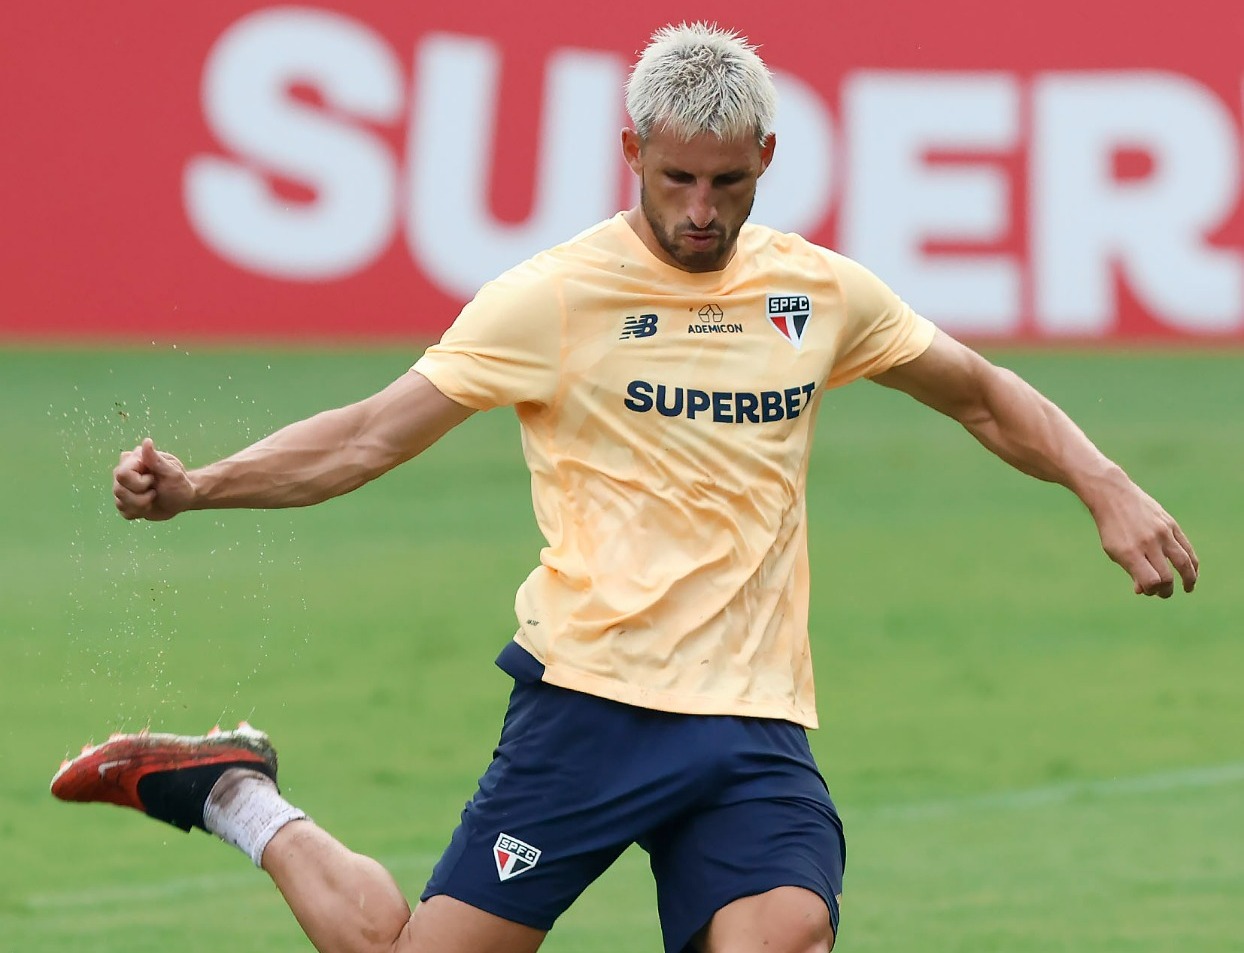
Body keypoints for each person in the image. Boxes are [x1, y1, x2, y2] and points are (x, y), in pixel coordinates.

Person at [51, 21, 1198, 953]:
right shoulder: (551, 298)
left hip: (752, 718)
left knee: (784, 934)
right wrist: (197, 488)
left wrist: (1101, 483)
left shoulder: (818, 294)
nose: (700, 210)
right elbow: (364, 438)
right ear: (629, 149)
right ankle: (235, 793)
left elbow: (980, 393)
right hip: (591, 703)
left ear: (767, 159)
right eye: (676, 178)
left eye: (727, 182)